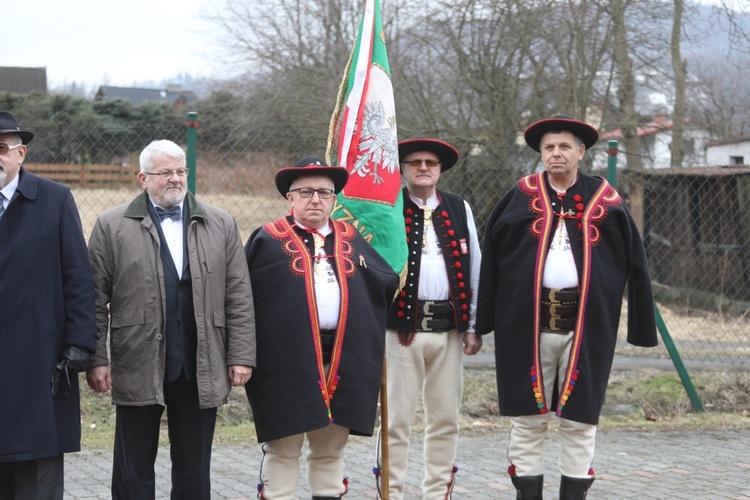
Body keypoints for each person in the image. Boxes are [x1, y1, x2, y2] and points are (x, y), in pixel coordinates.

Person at [475, 115, 658, 499]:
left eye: (563, 147)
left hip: (586, 328)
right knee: (528, 418)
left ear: (581, 152)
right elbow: (490, 259)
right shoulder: (520, 196)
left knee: (579, 420)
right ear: (541, 154)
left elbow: (635, 262)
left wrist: (640, 328)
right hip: (526, 326)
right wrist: (481, 323)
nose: (555, 154)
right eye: (548, 148)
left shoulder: (605, 199)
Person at [86, 139, 256, 499]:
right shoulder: (111, 225)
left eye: (181, 171)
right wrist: (97, 358)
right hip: (137, 359)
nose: (175, 179)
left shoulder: (221, 223)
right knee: (133, 466)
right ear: (143, 178)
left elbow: (238, 294)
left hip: (201, 362)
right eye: (165, 173)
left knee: (194, 468)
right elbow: (94, 297)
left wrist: (240, 354)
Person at [244, 157, 399, 500]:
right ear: (290, 197)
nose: (315, 199)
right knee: (283, 448)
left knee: (330, 451)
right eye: (306, 191)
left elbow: (384, 282)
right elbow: (242, 302)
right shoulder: (267, 240)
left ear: (334, 199)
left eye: (324, 193)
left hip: (344, 359)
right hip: (284, 362)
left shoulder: (352, 238)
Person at [0, 110, 98, 498]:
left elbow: (78, 276)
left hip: (39, 356)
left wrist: (79, 344)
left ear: (21, 153)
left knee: (36, 466)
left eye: (2, 149)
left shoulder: (54, 199)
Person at [385, 138, 482, 499]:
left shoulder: (459, 208)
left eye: (431, 162)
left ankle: (437, 492)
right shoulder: (389, 209)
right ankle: (391, 492)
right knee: (396, 421)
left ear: (440, 169)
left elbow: (475, 267)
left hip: (450, 333)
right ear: (403, 168)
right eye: (415, 162)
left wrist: (472, 325)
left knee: (445, 419)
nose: (423, 167)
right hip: (399, 331)